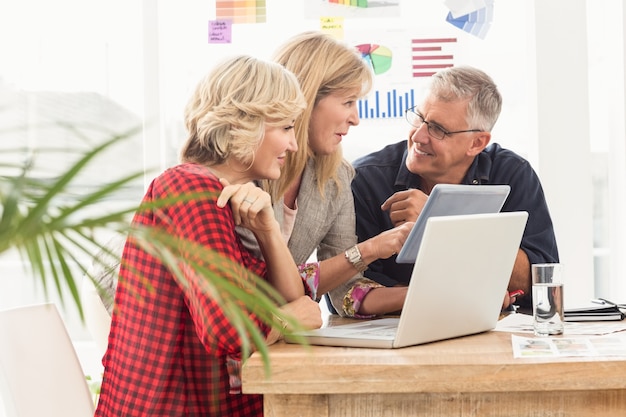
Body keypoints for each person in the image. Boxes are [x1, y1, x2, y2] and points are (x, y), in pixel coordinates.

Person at [95, 55, 323, 417]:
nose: (293, 145)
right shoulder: (189, 186)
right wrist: (289, 318)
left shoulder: (222, 198)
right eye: (285, 127)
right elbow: (230, 332)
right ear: (244, 124)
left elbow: (294, 300)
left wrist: (267, 231)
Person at [345, 65, 559, 310]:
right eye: (419, 117)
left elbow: (540, 280)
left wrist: (438, 220)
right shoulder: (365, 180)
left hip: (493, 331)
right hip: (394, 333)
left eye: (438, 129)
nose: (418, 136)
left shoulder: (512, 174)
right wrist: (461, 295)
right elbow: (350, 294)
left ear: (477, 143)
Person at [236, 31, 413, 318]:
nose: (356, 118)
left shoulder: (336, 177)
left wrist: (416, 294)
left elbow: (345, 290)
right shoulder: (244, 167)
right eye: (348, 102)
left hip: (276, 336)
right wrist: (369, 249)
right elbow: (263, 286)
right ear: (306, 99)